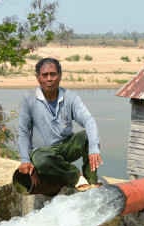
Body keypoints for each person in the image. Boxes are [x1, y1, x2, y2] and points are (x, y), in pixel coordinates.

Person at [17, 57, 102, 192]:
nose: (49, 79)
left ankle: (91, 180)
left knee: (87, 137)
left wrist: (93, 148)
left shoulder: (70, 97)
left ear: (60, 76)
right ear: (38, 78)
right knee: (41, 160)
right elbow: (23, 132)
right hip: (44, 152)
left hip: (66, 147)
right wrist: (25, 159)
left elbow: (89, 120)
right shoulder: (29, 100)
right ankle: (76, 177)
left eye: (53, 74)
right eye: (45, 75)